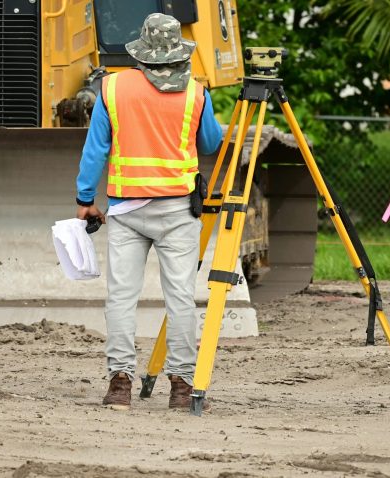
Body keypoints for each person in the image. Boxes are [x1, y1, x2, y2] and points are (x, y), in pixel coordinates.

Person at [75, 13, 222, 410]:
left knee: (121, 297)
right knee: (179, 298)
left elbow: (96, 150)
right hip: (178, 213)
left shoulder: (111, 88)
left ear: (141, 51)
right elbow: (210, 142)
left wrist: (85, 199)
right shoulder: (196, 92)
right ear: (178, 51)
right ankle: (181, 387)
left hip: (126, 210)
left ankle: (119, 385)